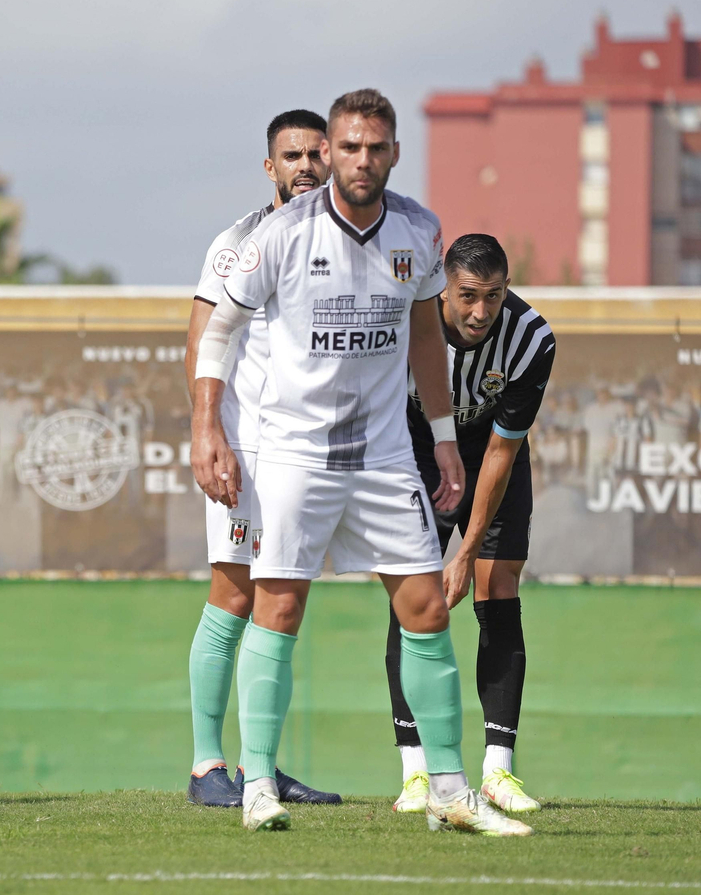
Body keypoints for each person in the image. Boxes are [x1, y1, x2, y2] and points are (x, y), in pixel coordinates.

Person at [191, 89, 532, 836]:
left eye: (375, 147)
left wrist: (443, 437)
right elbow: (217, 333)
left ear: (394, 153)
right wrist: (204, 425)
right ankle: (256, 786)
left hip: (382, 459)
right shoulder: (280, 235)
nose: (360, 160)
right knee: (277, 609)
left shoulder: (419, 229)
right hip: (294, 456)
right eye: (348, 147)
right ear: (332, 152)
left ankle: (448, 791)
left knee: (427, 610)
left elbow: (422, 338)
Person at [182, 108, 339, 808]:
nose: (305, 166)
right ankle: (206, 766)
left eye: (315, 154)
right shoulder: (237, 241)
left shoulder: (352, 243)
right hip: (244, 448)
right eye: (291, 155)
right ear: (270, 167)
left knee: (284, 601)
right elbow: (201, 342)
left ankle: (262, 768)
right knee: (235, 594)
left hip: (307, 453)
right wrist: (206, 430)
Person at [385, 234, 556, 816]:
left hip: (489, 452)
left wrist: (466, 553)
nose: (480, 311)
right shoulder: (406, 317)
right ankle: (415, 773)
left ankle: (497, 772)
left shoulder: (532, 340)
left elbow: (503, 454)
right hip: (416, 443)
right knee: (414, 597)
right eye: (467, 297)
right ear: (445, 289)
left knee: (497, 583)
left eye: (493, 296)